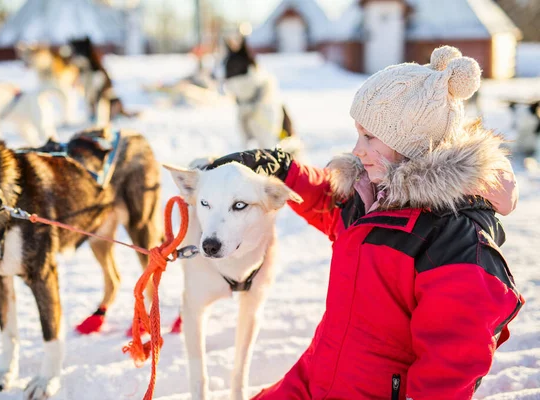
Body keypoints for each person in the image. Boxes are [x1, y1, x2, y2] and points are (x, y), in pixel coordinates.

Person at [206, 46, 523, 399]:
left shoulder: (452, 240)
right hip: (314, 379)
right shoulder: (372, 198)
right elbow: (331, 206)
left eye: (369, 136)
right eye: (358, 134)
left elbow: (451, 363)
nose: (357, 149)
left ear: (413, 144)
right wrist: (282, 166)